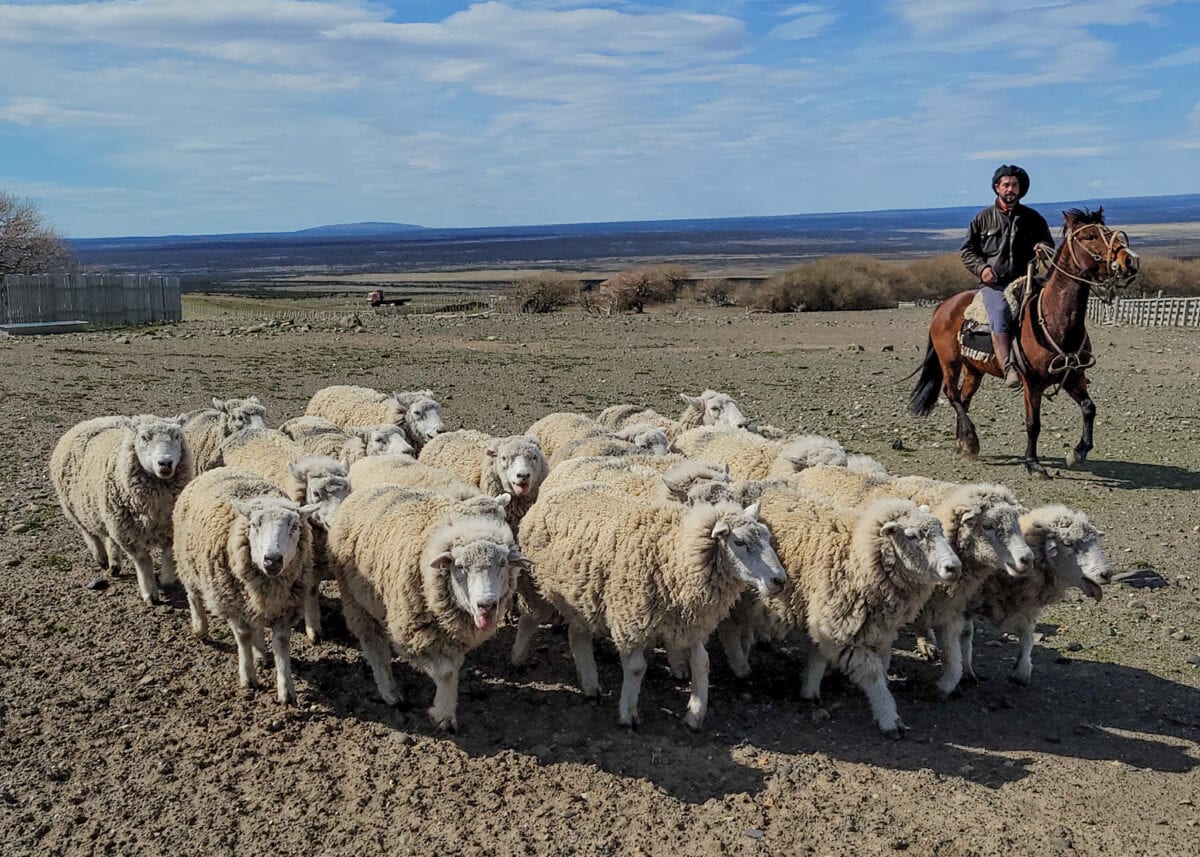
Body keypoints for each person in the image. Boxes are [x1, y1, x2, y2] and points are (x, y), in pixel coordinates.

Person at [960, 164, 1054, 388]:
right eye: (1006, 185)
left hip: (1027, 280)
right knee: (1001, 311)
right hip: (996, 285)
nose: (1011, 189)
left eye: (1015, 185)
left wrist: (1042, 247)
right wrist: (982, 268)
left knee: (1054, 307)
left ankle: (1063, 363)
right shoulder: (982, 219)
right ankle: (1009, 366)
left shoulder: (1033, 218)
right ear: (997, 188)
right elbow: (967, 251)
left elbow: (1048, 243)